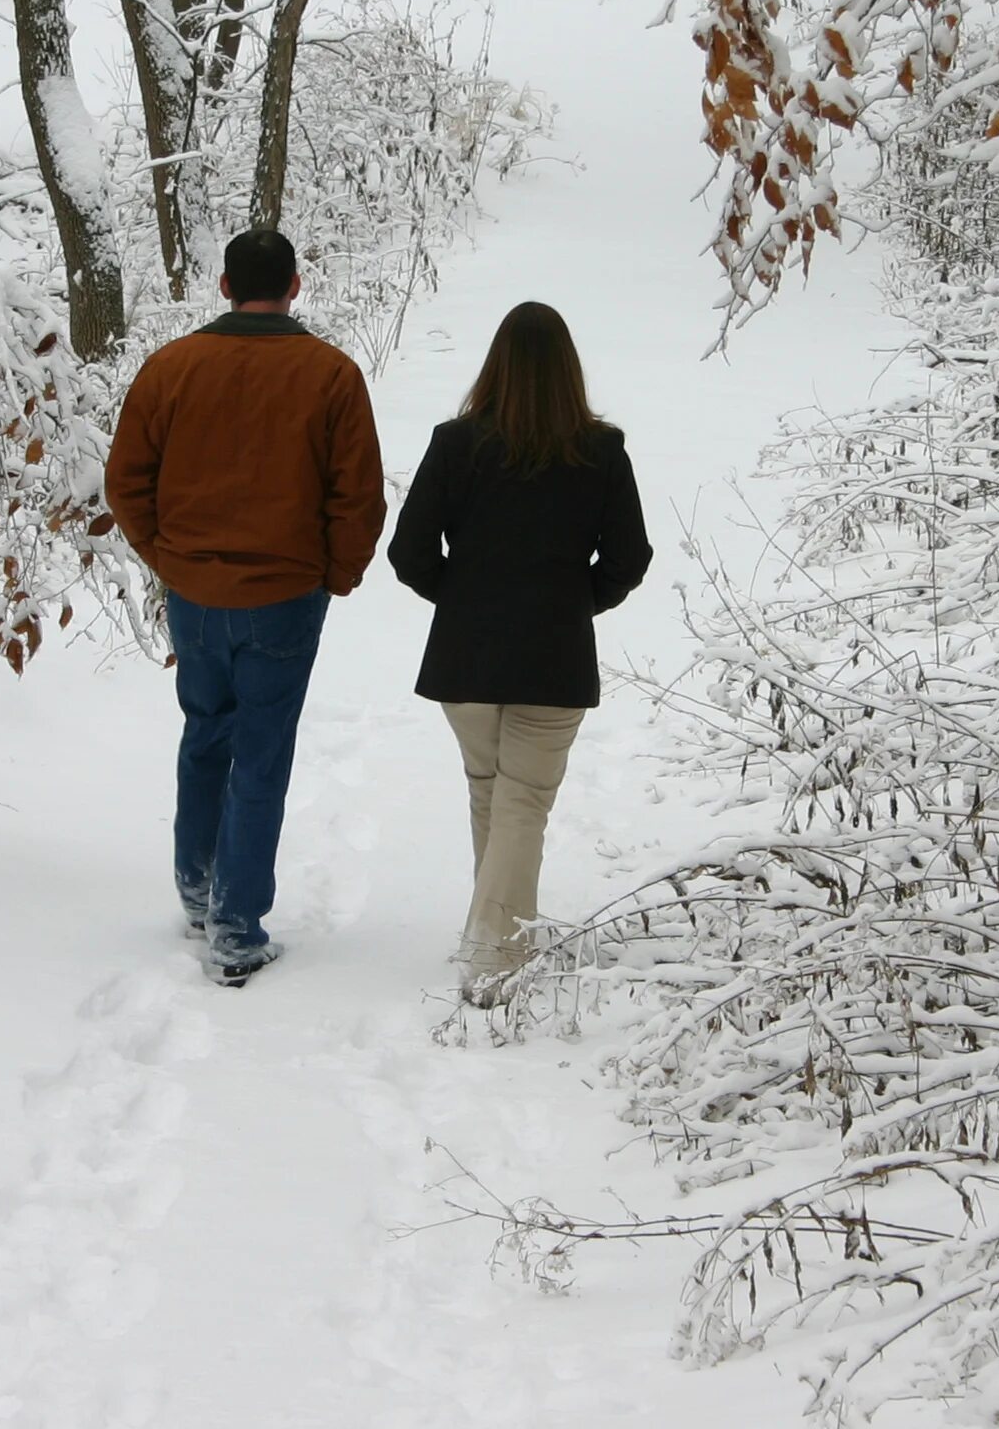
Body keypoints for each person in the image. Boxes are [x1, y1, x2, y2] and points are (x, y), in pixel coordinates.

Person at [105, 228, 385, 986]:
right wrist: (336, 573)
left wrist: (169, 559)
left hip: (193, 595)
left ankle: (198, 889)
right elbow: (357, 497)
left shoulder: (170, 369)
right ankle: (234, 927)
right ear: (295, 286)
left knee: (204, 736)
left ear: (224, 287)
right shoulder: (331, 376)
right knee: (259, 754)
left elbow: (126, 483)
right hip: (286, 597)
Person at [387, 302, 651, 1002]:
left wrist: (465, 597)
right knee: (521, 802)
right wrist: (572, 604)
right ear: (569, 371)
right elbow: (629, 558)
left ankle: (497, 931)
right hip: (552, 660)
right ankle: (494, 955)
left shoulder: (454, 444)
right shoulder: (601, 451)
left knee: (495, 796)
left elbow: (409, 553)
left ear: (495, 365)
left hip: (466, 660)